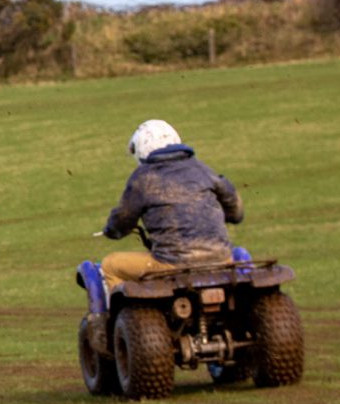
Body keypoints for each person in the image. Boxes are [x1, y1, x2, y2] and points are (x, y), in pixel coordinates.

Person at [97, 119, 243, 290]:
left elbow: (123, 219)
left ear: (141, 150)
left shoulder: (143, 178)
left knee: (110, 265)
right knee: (241, 254)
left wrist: (112, 231)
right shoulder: (201, 168)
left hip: (173, 264)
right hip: (221, 259)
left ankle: (115, 315)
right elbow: (236, 212)